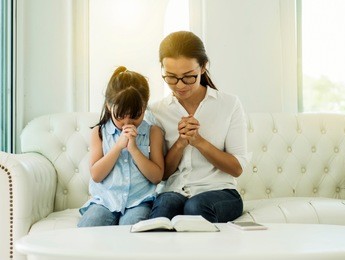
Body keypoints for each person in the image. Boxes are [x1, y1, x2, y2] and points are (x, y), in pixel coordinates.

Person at [148, 31, 248, 223]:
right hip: (174, 190)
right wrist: (180, 143)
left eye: (188, 77)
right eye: (171, 77)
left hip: (220, 192)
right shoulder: (157, 111)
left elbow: (236, 169)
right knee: (165, 205)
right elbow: (162, 174)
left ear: (203, 67)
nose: (179, 86)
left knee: (195, 206)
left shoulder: (229, 104)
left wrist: (199, 141)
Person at [78, 66, 164, 227]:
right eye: (120, 117)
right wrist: (118, 147)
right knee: (88, 226)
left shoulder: (154, 133)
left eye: (135, 116)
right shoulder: (99, 132)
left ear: (144, 107)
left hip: (139, 201)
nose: (127, 123)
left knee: (133, 227)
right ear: (109, 106)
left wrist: (134, 149)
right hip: (105, 201)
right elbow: (96, 175)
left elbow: (156, 176)